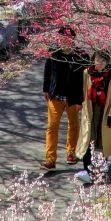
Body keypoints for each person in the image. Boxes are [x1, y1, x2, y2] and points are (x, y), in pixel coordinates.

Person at [42, 25, 87, 171]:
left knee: (73, 125)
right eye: (61, 38)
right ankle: (50, 159)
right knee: (52, 126)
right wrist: (45, 89)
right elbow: (47, 71)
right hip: (56, 95)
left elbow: (83, 79)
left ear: (73, 39)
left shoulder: (80, 56)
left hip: (73, 97)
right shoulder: (53, 53)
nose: (63, 41)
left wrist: (81, 99)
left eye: (67, 38)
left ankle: (71, 152)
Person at [75, 49, 111, 178]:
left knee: (102, 140)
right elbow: (82, 91)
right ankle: (87, 169)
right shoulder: (87, 73)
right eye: (97, 59)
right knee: (88, 139)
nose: (99, 63)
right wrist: (81, 105)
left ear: (108, 62)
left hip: (104, 111)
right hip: (90, 110)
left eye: (103, 60)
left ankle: (103, 166)